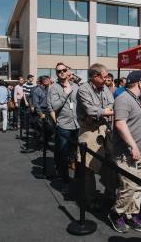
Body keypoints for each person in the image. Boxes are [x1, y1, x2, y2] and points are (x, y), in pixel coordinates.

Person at [108, 71, 141, 233]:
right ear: (140, 83)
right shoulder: (123, 99)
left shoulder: (136, 100)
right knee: (129, 186)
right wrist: (133, 146)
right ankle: (116, 213)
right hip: (126, 153)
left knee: (138, 187)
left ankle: (131, 215)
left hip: (140, 152)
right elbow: (120, 124)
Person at [76, 63, 115, 210]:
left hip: (105, 130)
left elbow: (112, 104)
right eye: (104, 77)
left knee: (110, 165)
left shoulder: (105, 88)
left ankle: (110, 196)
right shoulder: (83, 90)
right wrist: (106, 111)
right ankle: (90, 201)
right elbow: (91, 110)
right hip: (89, 132)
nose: (107, 79)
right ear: (94, 76)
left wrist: (104, 111)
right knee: (89, 169)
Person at [47, 63, 80, 195]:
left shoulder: (76, 86)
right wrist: (65, 93)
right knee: (63, 155)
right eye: (58, 71)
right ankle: (65, 182)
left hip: (77, 124)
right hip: (64, 126)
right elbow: (54, 106)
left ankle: (77, 181)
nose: (61, 72)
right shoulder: (53, 88)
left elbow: (80, 103)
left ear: (68, 72)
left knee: (77, 155)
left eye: (63, 70)